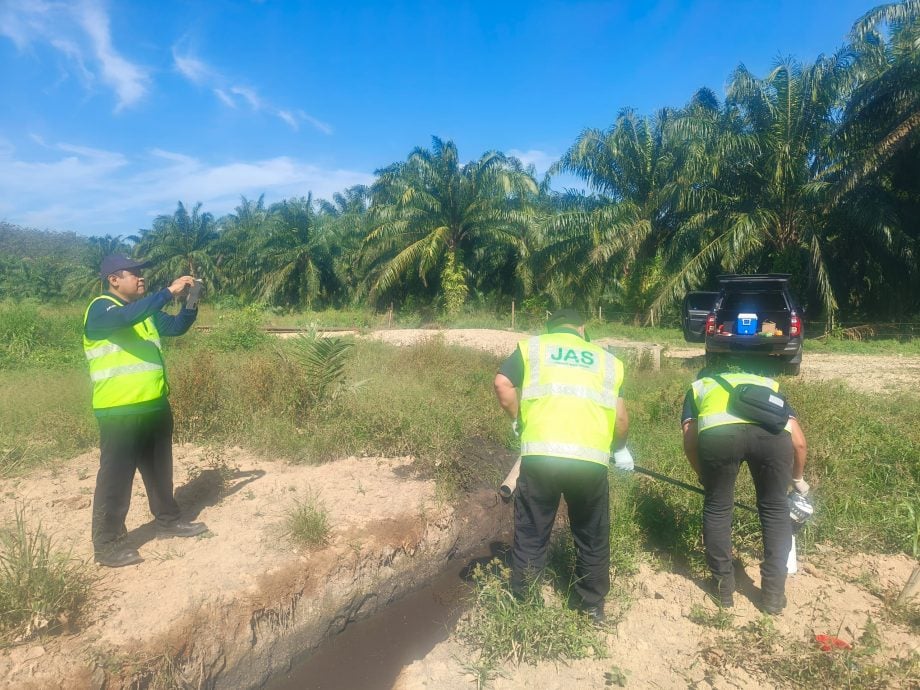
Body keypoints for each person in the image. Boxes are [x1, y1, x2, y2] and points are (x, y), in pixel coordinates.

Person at [493, 308, 629, 622]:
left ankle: (524, 605)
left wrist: (519, 421)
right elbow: (620, 418)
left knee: (532, 531)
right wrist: (619, 449)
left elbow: (502, 384)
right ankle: (591, 607)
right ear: (582, 329)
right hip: (590, 462)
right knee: (592, 533)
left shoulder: (534, 348)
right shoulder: (607, 361)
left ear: (551, 328)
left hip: (541, 457)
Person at [83, 254, 208, 567]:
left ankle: (168, 520)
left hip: (154, 405)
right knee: (115, 478)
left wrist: (191, 300)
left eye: (142, 273)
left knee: (159, 469)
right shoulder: (101, 308)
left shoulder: (146, 314)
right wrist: (168, 292)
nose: (141, 277)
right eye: (134, 273)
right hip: (119, 410)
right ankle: (108, 544)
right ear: (114, 279)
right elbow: (124, 319)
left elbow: (177, 327)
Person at [681, 361, 808, 614]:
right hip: (773, 439)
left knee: (718, 508)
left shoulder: (701, 386)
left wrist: (703, 476)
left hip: (720, 439)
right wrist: (798, 479)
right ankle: (773, 596)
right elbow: (799, 442)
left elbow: (689, 436)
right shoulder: (769, 385)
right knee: (775, 510)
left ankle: (722, 590)